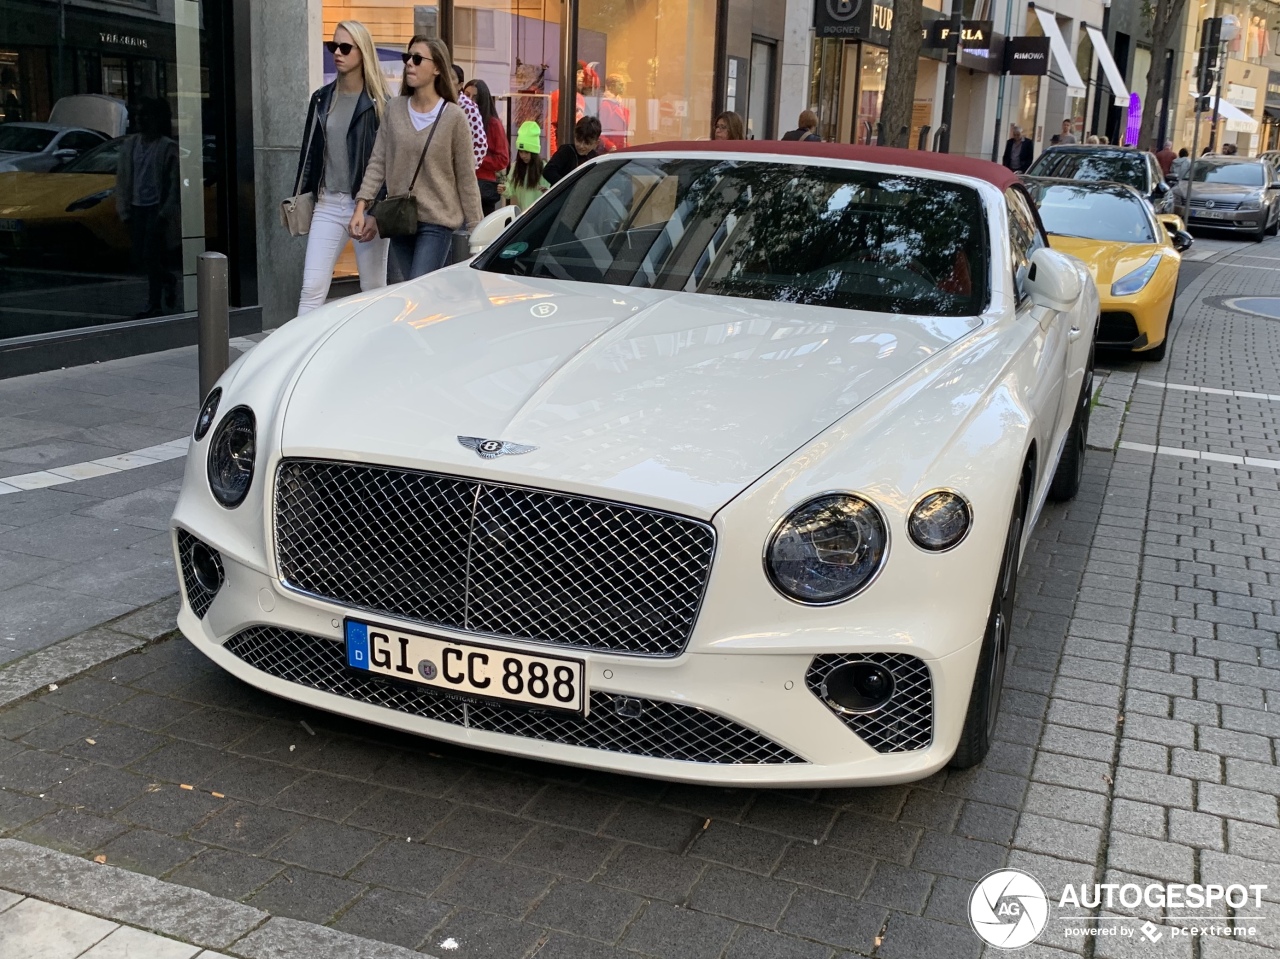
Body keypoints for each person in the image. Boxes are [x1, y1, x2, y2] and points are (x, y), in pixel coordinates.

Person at [351, 36, 482, 280]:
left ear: (436, 68)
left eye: (418, 59)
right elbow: (378, 162)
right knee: (414, 292)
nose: (409, 63)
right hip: (401, 219)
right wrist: (362, 207)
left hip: (437, 222)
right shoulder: (394, 109)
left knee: (420, 285)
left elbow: (466, 177)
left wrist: (477, 229)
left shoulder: (454, 117)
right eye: (407, 58)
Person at [294, 20, 391, 315]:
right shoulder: (322, 98)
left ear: (362, 52)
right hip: (327, 202)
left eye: (345, 47)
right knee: (311, 287)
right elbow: (310, 152)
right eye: (332, 46)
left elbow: (386, 161)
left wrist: (376, 211)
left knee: (373, 288)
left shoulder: (381, 103)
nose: (337, 52)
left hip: (366, 205)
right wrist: (300, 193)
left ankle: (376, 354)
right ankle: (300, 358)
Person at [117, 97, 181, 318]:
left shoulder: (166, 148)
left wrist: (165, 213)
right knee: (142, 258)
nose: (140, 120)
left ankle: (154, 301)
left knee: (150, 255)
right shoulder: (130, 145)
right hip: (137, 207)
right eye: (138, 115)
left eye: (145, 115)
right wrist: (124, 210)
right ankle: (167, 280)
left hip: (156, 208)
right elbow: (123, 178)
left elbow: (174, 185)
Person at [470, 79, 509, 216]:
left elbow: (502, 159)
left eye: (474, 97)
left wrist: (476, 158)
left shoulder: (492, 124)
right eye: (466, 95)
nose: (469, 100)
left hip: (482, 185)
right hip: (464, 183)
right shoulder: (460, 120)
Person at [500, 121, 550, 213]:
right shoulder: (516, 167)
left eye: (526, 152)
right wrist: (504, 189)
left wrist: (547, 192)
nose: (523, 156)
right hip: (523, 216)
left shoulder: (544, 168)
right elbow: (510, 189)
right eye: (520, 151)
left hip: (541, 214)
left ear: (534, 153)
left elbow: (551, 191)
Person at [544, 114, 601, 185]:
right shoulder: (566, 151)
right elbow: (548, 171)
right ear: (574, 135)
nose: (581, 146)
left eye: (587, 143)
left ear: (596, 143)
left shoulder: (595, 158)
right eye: (578, 140)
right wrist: (566, 186)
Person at [449, 63, 487, 168]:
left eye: (451, 78)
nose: (446, 81)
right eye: (444, 77)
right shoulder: (437, 102)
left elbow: (480, 145)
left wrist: (464, 169)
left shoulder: (468, 107)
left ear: (460, 85)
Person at [598, 74, 631, 152]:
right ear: (612, 86)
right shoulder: (606, 105)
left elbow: (624, 135)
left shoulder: (621, 107)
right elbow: (599, 130)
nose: (623, 87)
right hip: (609, 151)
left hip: (619, 150)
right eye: (621, 84)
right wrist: (609, 145)